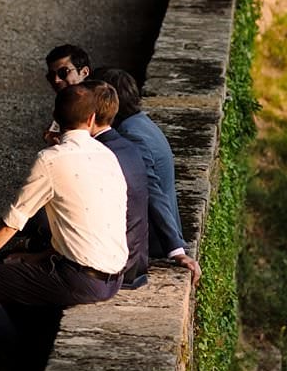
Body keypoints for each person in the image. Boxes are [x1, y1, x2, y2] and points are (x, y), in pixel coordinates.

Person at [0, 84, 128, 371]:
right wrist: (37, 256)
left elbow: (12, 223)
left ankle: (12, 353)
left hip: (79, 280)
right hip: (114, 275)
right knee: (12, 269)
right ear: (92, 118)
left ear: (56, 116)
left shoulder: (50, 159)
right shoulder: (107, 155)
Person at [93, 68, 201, 284]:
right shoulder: (140, 123)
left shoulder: (130, 135)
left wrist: (175, 249)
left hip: (150, 239)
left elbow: (151, 191)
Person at [81, 79, 151, 290]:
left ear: (89, 116)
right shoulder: (126, 146)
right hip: (136, 260)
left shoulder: (98, 153)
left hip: (116, 266)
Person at [42, 44, 91, 144]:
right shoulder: (64, 104)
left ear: (84, 72)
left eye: (63, 72)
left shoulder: (100, 103)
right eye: (51, 75)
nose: (56, 80)